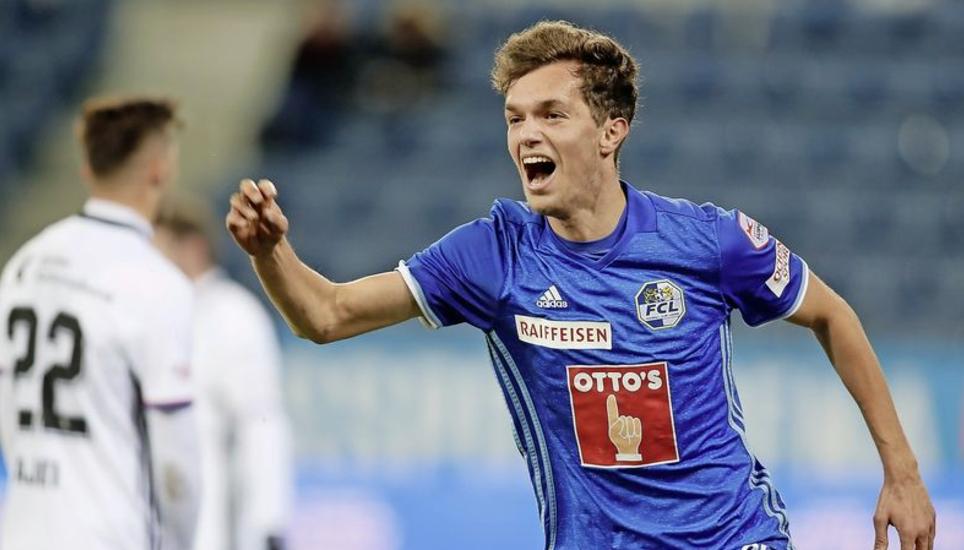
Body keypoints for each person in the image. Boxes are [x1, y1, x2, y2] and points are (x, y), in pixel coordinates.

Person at [225, 21, 936, 550]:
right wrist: (270, 253)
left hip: (731, 539)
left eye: (551, 114)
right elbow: (325, 315)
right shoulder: (493, 255)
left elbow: (832, 315)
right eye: (515, 119)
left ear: (610, 131)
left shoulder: (707, 241)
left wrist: (901, 472)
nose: (525, 136)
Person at [0, 96, 200, 549]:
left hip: (21, 530)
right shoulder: (157, 283)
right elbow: (175, 460)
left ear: (87, 168)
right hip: (106, 533)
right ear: (160, 170)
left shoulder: (24, 263)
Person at [155, 199, 292, 550]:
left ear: (193, 248)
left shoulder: (233, 315)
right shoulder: (153, 313)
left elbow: (261, 423)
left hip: (205, 521)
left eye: (159, 248)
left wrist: (268, 522)